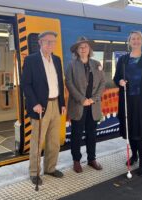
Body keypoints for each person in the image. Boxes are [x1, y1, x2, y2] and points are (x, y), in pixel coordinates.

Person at [21, 31, 66, 185]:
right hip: (40, 107)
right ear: (40, 42)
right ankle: (34, 172)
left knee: (54, 141)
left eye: (52, 42)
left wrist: (62, 103)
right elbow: (25, 84)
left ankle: (50, 168)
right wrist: (34, 103)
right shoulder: (31, 60)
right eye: (47, 41)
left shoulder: (57, 60)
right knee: (37, 142)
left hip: (55, 104)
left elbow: (59, 83)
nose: (50, 45)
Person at [113, 31, 142, 177]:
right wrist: (120, 82)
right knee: (131, 131)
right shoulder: (123, 60)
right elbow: (116, 78)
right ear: (129, 41)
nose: (136, 41)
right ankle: (134, 155)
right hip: (128, 102)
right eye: (133, 38)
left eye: (138, 38)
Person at [65, 37, 106, 173]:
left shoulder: (96, 64)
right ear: (77, 50)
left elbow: (102, 83)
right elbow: (69, 83)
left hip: (93, 106)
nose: (83, 49)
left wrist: (94, 99)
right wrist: (82, 99)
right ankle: (76, 160)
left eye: (86, 47)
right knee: (76, 134)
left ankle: (91, 159)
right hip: (78, 105)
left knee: (92, 134)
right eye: (80, 47)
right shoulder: (71, 65)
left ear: (90, 49)